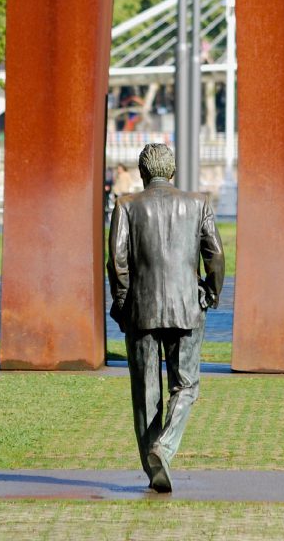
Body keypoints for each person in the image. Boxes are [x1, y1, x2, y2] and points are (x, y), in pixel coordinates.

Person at [107, 142, 224, 492]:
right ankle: (165, 447)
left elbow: (117, 262)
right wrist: (210, 293)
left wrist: (124, 303)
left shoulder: (126, 206)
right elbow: (215, 256)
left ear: (143, 174)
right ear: (172, 172)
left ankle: (153, 463)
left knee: (145, 391)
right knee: (186, 385)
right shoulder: (198, 203)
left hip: (141, 309)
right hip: (187, 307)